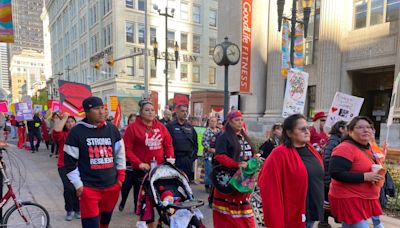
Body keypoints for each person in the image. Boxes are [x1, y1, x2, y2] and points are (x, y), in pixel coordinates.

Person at [64, 96, 126, 228]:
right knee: (91, 224)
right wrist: (78, 185)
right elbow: (69, 163)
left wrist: (120, 179)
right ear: (87, 112)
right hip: (89, 188)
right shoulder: (76, 132)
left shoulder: (112, 129)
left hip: (111, 186)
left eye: (102, 108)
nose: (101, 112)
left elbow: (120, 154)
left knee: (105, 222)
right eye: (97, 109)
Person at [258, 114, 324, 228]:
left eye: (307, 128)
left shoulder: (312, 150)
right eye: (302, 129)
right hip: (293, 215)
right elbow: (268, 186)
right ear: (289, 133)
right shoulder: (279, 154)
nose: (307, 131)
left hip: (312, 211)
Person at [123, 100, 174, 226]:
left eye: (152, 110)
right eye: (147, 110)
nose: (150, 112)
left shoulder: (161, 127)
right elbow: (126, 149)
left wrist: (170, 159)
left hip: (160, 171)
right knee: (147, 204)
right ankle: (148, 224)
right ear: (140, 113)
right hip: (141, 171)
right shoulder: (133, 128)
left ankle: (162, 222)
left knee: (164, 199)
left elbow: (168, 145)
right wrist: (139, 163)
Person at [329, 116, 384, 228]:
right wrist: (364, 177)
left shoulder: (368, 148)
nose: (366, 130)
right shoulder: (345, 148)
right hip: (349, 198)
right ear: (350, 131)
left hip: (362, 198)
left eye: (369, 127)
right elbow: (336, 173)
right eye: (360, 127)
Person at [212, 111, 257, 228]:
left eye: (241, 120)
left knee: (246, 214)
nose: (240, 122)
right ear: (230, 122)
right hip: (229, 180)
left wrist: (254, 159)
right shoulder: (224, 137)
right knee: (228, 218)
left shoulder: (244, 136)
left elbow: (251, 153)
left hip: (244, 180)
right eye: (237, 120)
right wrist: (236, 164)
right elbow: (219, 156)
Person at [319, 120, 347, 228]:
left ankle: (330, 218)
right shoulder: (334, 141)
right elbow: (327, 158)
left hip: (330, 176)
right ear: (341, 129)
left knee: (329, 200)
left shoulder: (338, 140)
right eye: (346, 128)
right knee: (326, 200)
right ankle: (323, 221)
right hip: (329, 176)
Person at [53, 113, 80, 221]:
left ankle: (77, 209)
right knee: (68, 188)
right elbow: (56, 131)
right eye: (67, 122)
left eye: (72, 121)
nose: (70, 123)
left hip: (78, 165)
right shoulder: (62, 135)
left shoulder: (79, 134)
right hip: (63, 165)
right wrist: (64, 117)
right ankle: (69, 210)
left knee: (77, 188)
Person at [167, 104, 197, 180]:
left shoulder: (190, 127)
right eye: (182, 111)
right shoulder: (170, 126)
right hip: (175, 160)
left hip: (187, 160)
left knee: (186, 182)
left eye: (186, 111)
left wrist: (192, 158)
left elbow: (195, 143)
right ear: (177, 112)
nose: (185, 113)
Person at [118, 113, 138, 212]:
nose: (133, 122)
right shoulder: (122, 132)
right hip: (127, 163)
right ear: (128, 121)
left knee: (138, 188)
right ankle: (123, 201)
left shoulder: (140, 131)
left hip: (138, 163)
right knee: (126, 186)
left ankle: (136, 206)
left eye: (135, 120)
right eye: (131, 120)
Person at [201, 116, 221, 193]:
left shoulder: (219, 131)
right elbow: (204, 142)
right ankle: (207, 186)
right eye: (211, 121)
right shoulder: (207, 131)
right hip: (208, 155)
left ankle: (214, 186)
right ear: (209, 122)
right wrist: (210, 149)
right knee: (208, 171)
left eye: (214, 121)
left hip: (217, 155)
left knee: (216, 171)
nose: (213, 123)